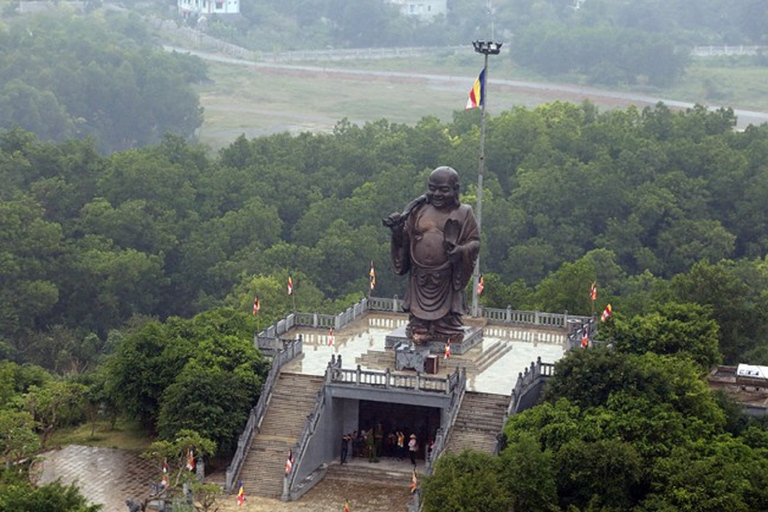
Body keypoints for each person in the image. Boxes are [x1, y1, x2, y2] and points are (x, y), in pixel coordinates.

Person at [385, 166, 480, 345]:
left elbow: (474, 242)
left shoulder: (464, 212)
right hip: (419, 274)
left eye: (443, 190)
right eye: (432, 188)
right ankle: (419, 324)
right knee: (418, 321)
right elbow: (407, 237)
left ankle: (444, 326)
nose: (437, 194)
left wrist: (461, 251)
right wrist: (397, 231)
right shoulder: (419, 210)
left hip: (446, 276)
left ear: (455, 189)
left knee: (447, 324)